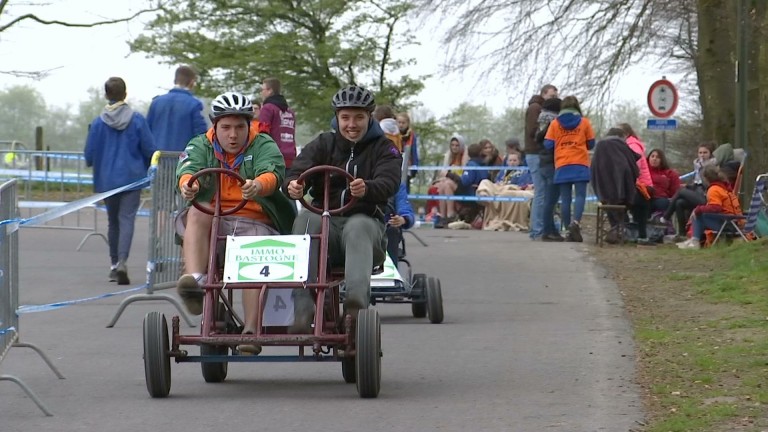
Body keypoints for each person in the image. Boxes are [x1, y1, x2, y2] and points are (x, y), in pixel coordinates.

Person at [175, 91, 296, 353]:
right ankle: (195, 282)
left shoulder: (263, 144)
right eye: (226, 127)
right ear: (214, 126)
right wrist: (187, 185)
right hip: (214, 222)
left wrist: (258, 185)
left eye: (240, 127)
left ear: (248, 125)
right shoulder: (200, 144)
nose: (233, 135)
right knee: (197, 211)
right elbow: (187, 168)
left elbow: (273, 172)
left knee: (252, 252)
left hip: (256, 221)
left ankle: (251, 330)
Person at [284, 85, 402, 333]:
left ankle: (355, 306)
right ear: (336, 118)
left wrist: (367, 188)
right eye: (345, 117)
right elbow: (295, 172)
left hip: (366, 227)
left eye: (359, 117)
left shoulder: (385, 148)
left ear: (369, 117)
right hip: (325, 223)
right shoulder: (323, 144)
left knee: (358, 225)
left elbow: (389, 183)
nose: (352, 124)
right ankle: (303, 307)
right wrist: (294, 185)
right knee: (307, 219)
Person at [84, 77, 156, 284]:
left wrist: (95, 161)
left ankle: (114, 264)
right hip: (132, 179)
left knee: (113, 222)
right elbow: (150, 149)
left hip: (107, 180)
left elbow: (89, 154)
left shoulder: (97, 123)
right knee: (127, 220)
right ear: (125, 94)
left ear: (106, 95)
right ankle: (124, 260)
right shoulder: (137, 120)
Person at [543, 95, 595, 242]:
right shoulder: (585, 123)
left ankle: (567, 230)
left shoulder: (554, 124)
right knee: (579, 196)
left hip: (562, 163)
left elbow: (548, 145)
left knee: (565, 199)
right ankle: (575, 223)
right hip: (580, 162)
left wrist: (562, 143)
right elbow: (591, 143)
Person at [591, 128, 653, 246]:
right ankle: (641, 235)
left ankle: (616, 229)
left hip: (603, 195)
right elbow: (634, 168)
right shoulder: (621, 146)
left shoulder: (600, 147)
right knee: (643, 201)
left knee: (610, 200)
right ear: (622, 137)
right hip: (623, 194)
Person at [677, 165, 743, 250]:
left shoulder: (714, 189)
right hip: (736, 222)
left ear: (705, 178)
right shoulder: (724, 187)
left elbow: (716, 208)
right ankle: (694, 240)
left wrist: (698, 209)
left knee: (698, 215)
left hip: (728, 224)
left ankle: (695, 241)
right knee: (699, 213)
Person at [524, 84, 559, 240]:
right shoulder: (535, 108)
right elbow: (533, 131)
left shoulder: (539, 108)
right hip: (535, 153)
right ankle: (537, 230)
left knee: (542, 193)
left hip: (537, 153)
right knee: (541, 193)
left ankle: (539, 229)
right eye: (551, 96)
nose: (554, 99)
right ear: (544, 94)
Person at [146, 65, 208, 152]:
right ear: (192, 82)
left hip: (157, 159)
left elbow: (146, 134)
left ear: (175, 80)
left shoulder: (156, 102)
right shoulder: (194, 104)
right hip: (183, 160)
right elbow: (201, 137)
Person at [661, 142, 716, 238]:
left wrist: (703, 169)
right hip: (697, 191)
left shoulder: (712, 166)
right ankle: (682, 233)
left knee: (681, 191)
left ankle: (666, 216)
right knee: (679, 203)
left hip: (706, 195)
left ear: (710, 154)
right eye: (700, 153)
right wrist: (690, 185)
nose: (702, 155)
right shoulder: (697, 164)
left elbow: (707, 184)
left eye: (705, 153)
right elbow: (696, 181)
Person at [536, 97, 563, 242]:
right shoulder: (554, 124)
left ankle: (551, 230)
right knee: (551, 200)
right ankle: (548, 231)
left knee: (548, 199)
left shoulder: (542, 122)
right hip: (552, 164)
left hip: (543, 163)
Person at [259, 77, 297, 168]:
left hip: (273, 157)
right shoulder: (290, 112)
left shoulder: (267, 108)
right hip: (291, 157)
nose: (261, 93)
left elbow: (263, 134)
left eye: (262, 90)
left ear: (269, 91)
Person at [384, 183, 415, 263]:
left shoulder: (397, 185)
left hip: (386, 229)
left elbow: (404, 207)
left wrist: (403, 219)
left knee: (392, 230)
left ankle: (391, 271)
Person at [647, 149, 681, 213]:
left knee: (663, 203)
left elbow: (675, 191)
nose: (654, 159)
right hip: (646, 197)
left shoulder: (670, 173)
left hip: (661, 199)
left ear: (662, 160)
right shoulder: (643, 172)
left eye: (657, 157)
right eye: (652, 156)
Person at [397, 112, 421, 190]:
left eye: (403, 123)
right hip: (395, 163)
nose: (401, 125)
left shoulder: (411, 136)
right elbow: (390, 148)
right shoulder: (394, 134)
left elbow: (414, 152)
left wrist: (415, 166)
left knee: (405, 187)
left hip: (407, 165)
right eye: (399, 122)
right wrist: (395, 153)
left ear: (407, 123)